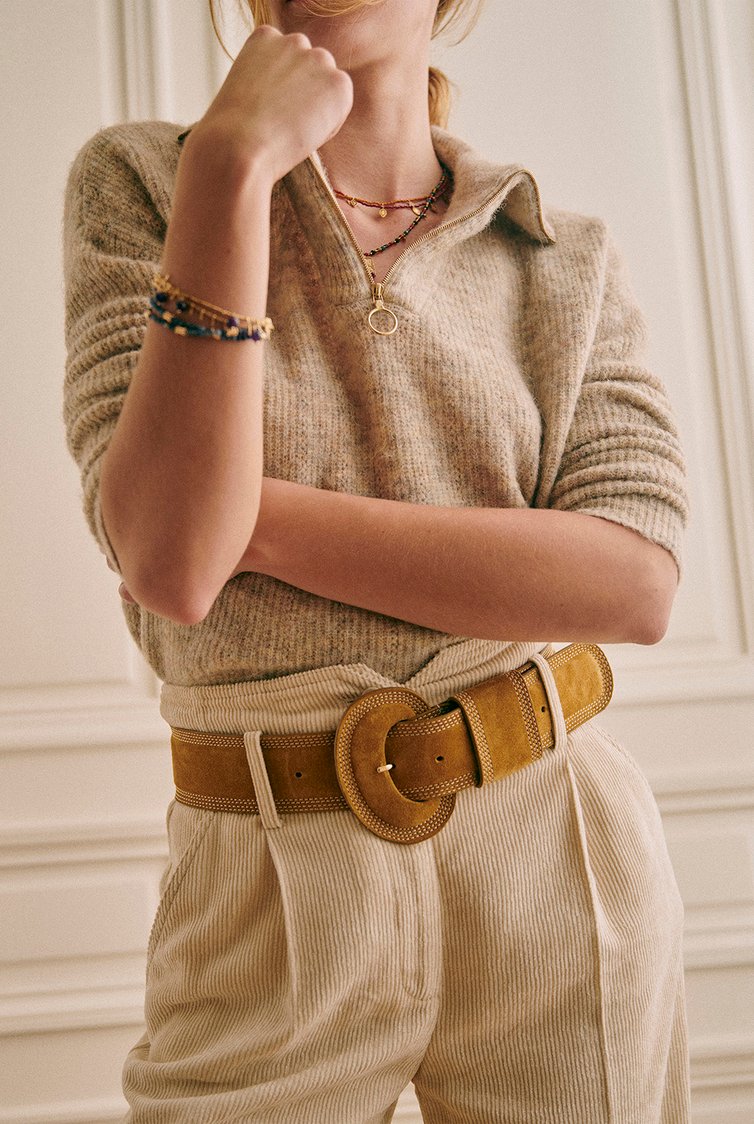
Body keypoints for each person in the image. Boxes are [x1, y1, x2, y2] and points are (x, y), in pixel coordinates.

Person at [62, 0, 692, 1120]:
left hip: (555, 849)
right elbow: (172, 556)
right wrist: (230, 168)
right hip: (265, 882)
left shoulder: (562, 251)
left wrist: (250, 519)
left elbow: (633, 578)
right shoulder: (154, 183)